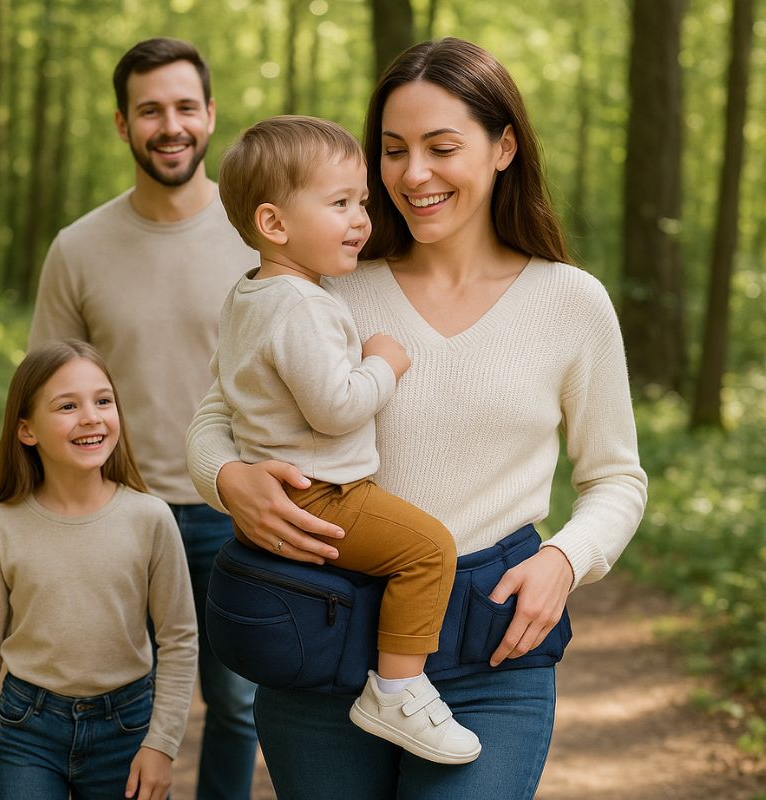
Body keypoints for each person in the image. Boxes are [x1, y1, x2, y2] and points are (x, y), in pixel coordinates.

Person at [186, 37, 647, 799]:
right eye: (393, 151)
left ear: (503, 148)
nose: (413, 174)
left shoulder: (571, 302)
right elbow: (215, 415)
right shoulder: (326, 284)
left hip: (488, 649)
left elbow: (616, 477)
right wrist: (228, 477)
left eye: (441, 147)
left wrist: (567, 559)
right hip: (321, 630)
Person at [27, 38, 258, 799]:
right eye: (150, 110)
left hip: (240, 514)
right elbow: (51, 396)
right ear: (123, 124)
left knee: (235, 704)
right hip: (121, 516)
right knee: (123, 707)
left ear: (210, 115)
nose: (171, 125)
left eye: (185, 107)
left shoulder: (263, 234)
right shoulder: (78, 248)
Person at [211, 114, 481, 763]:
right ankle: (397, 688)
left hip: (293, 487)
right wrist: (384, 361)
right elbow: (336, 407)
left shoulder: (254, 293)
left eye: (361, 200)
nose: (361, 218)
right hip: (322, 492)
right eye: (340, 204)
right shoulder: (301, 304)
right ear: (274, 224)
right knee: (428, 551)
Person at [0, 340, 198, 800]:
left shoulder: (150, 518)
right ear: (26, 431)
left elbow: (179, 638)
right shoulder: (1, 524)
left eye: (103, 400)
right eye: (67, 405)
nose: (91, 416)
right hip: (28, 728)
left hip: (128, 727)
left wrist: (162, 744)